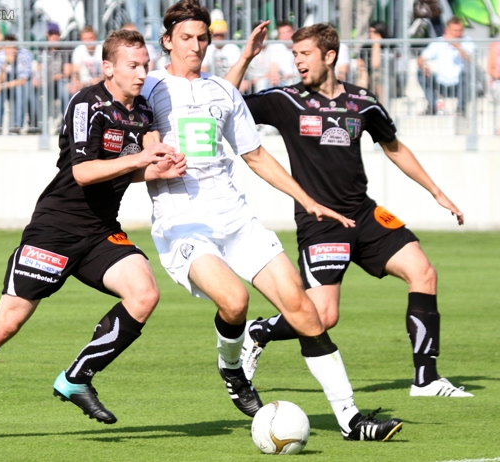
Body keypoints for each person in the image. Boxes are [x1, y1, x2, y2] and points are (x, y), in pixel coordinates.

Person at [141, 0, 403, 442]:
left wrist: (307, 198)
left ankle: (351, 419)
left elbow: (256, 154)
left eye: (202, 38)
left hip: (234, 215)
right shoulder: (148, 88)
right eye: (186, 38)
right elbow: (134, 140)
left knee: (304, 309)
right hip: (181, 219)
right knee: (235, 302)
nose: (196, 46)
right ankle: (232, 368)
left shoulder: (222, 92)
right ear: (167, 41)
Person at [0, 29, 187, 441]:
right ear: (108, 67)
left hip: (100, 233)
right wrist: (140, 159)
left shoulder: (143, 110)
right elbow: (83, 172)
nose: (141, 73)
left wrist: (156, 169)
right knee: (6, 323)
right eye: (133, 65)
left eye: (145, 65)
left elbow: (134, 166)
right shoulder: (88, 104)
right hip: (55, 230)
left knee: (144, 294)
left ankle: (77, 377)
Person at [226, 23, 472, 399]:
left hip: (365, 214)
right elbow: (225, 101)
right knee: (324, 317)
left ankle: (426, 379)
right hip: (321, 224)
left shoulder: (363, 101)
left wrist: (437, 191)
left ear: (330, 56)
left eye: (304, 54)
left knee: (423, 272)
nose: (298, 62)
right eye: (294, 55)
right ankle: (260, 331)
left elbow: (394, 147)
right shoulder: (286, 100)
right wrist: (246, 57)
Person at [417, 16, 474, 115]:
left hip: (458, 84)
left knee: (466, 73)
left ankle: (461, 109)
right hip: (441, 83)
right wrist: (423, 65)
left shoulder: (467, 41)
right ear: (446, 30)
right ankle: (433, 105)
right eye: (455, 31)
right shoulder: (439, 42)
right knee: (420, 73)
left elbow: (471, 59)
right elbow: (420, 59)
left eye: (460, 30)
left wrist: (456, 45)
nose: (458, 33)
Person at [0, 34, 32, 134]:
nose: (12, 51)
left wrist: (2, 85)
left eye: (14, 47)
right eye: (9, 48)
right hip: (6, 83)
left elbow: (22, 80)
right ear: (4, 48)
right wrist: (5, 65)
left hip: (19, 85)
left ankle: (17, 127)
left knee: (19, 90)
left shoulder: (24, 55)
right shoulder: (0, 56)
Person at [71, 25, 103, 92]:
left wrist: (86, 83)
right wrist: (75, 82)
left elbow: (104, 75)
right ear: (81, 39)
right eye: (85, 39)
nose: (88, 41)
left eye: (91, 38)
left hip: (100, 85)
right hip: (82, 86)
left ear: (95, 38)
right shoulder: (78, 50)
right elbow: (75, 72)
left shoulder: (101, 49)